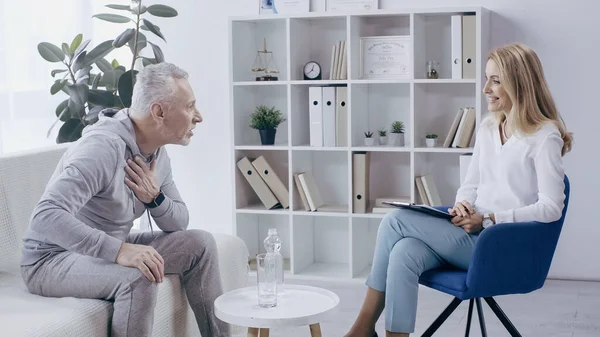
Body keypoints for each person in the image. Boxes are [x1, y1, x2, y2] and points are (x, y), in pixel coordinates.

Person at [344, 43, 573, 337]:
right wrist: (463, 203)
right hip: (470, 235)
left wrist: (489, 218)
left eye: (496, 80)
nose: (485, 89)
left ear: (520, 83)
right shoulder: (489, 128)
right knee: (403, 251)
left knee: (394, 221)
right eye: (486, 78)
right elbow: (471, 184)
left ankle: (362, 329)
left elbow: (552, 208)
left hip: (502, 248)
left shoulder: (544, 136)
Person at [20, 63, 230, 337]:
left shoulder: (156, 152)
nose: (198, 116)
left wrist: (155, 198)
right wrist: (120, 251)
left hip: (102, 249)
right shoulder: (102, 148)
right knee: (138, 276)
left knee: (200, 244)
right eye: (190, 106)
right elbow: (45, 216)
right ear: (159, 112)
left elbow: (179, 221)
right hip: (51, 259)